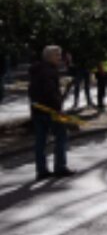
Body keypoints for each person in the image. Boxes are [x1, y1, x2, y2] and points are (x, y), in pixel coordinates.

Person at [30, 45, 74, 181]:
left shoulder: (36, 70)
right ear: (49, 57)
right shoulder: (49, 71)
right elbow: (50, 92)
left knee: (40, 141)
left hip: (37, 110)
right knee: (61, 136)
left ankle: (41, 170)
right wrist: (58, 106)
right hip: (51, 110)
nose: (60, 58)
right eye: (57, 55)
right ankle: (60, 167)